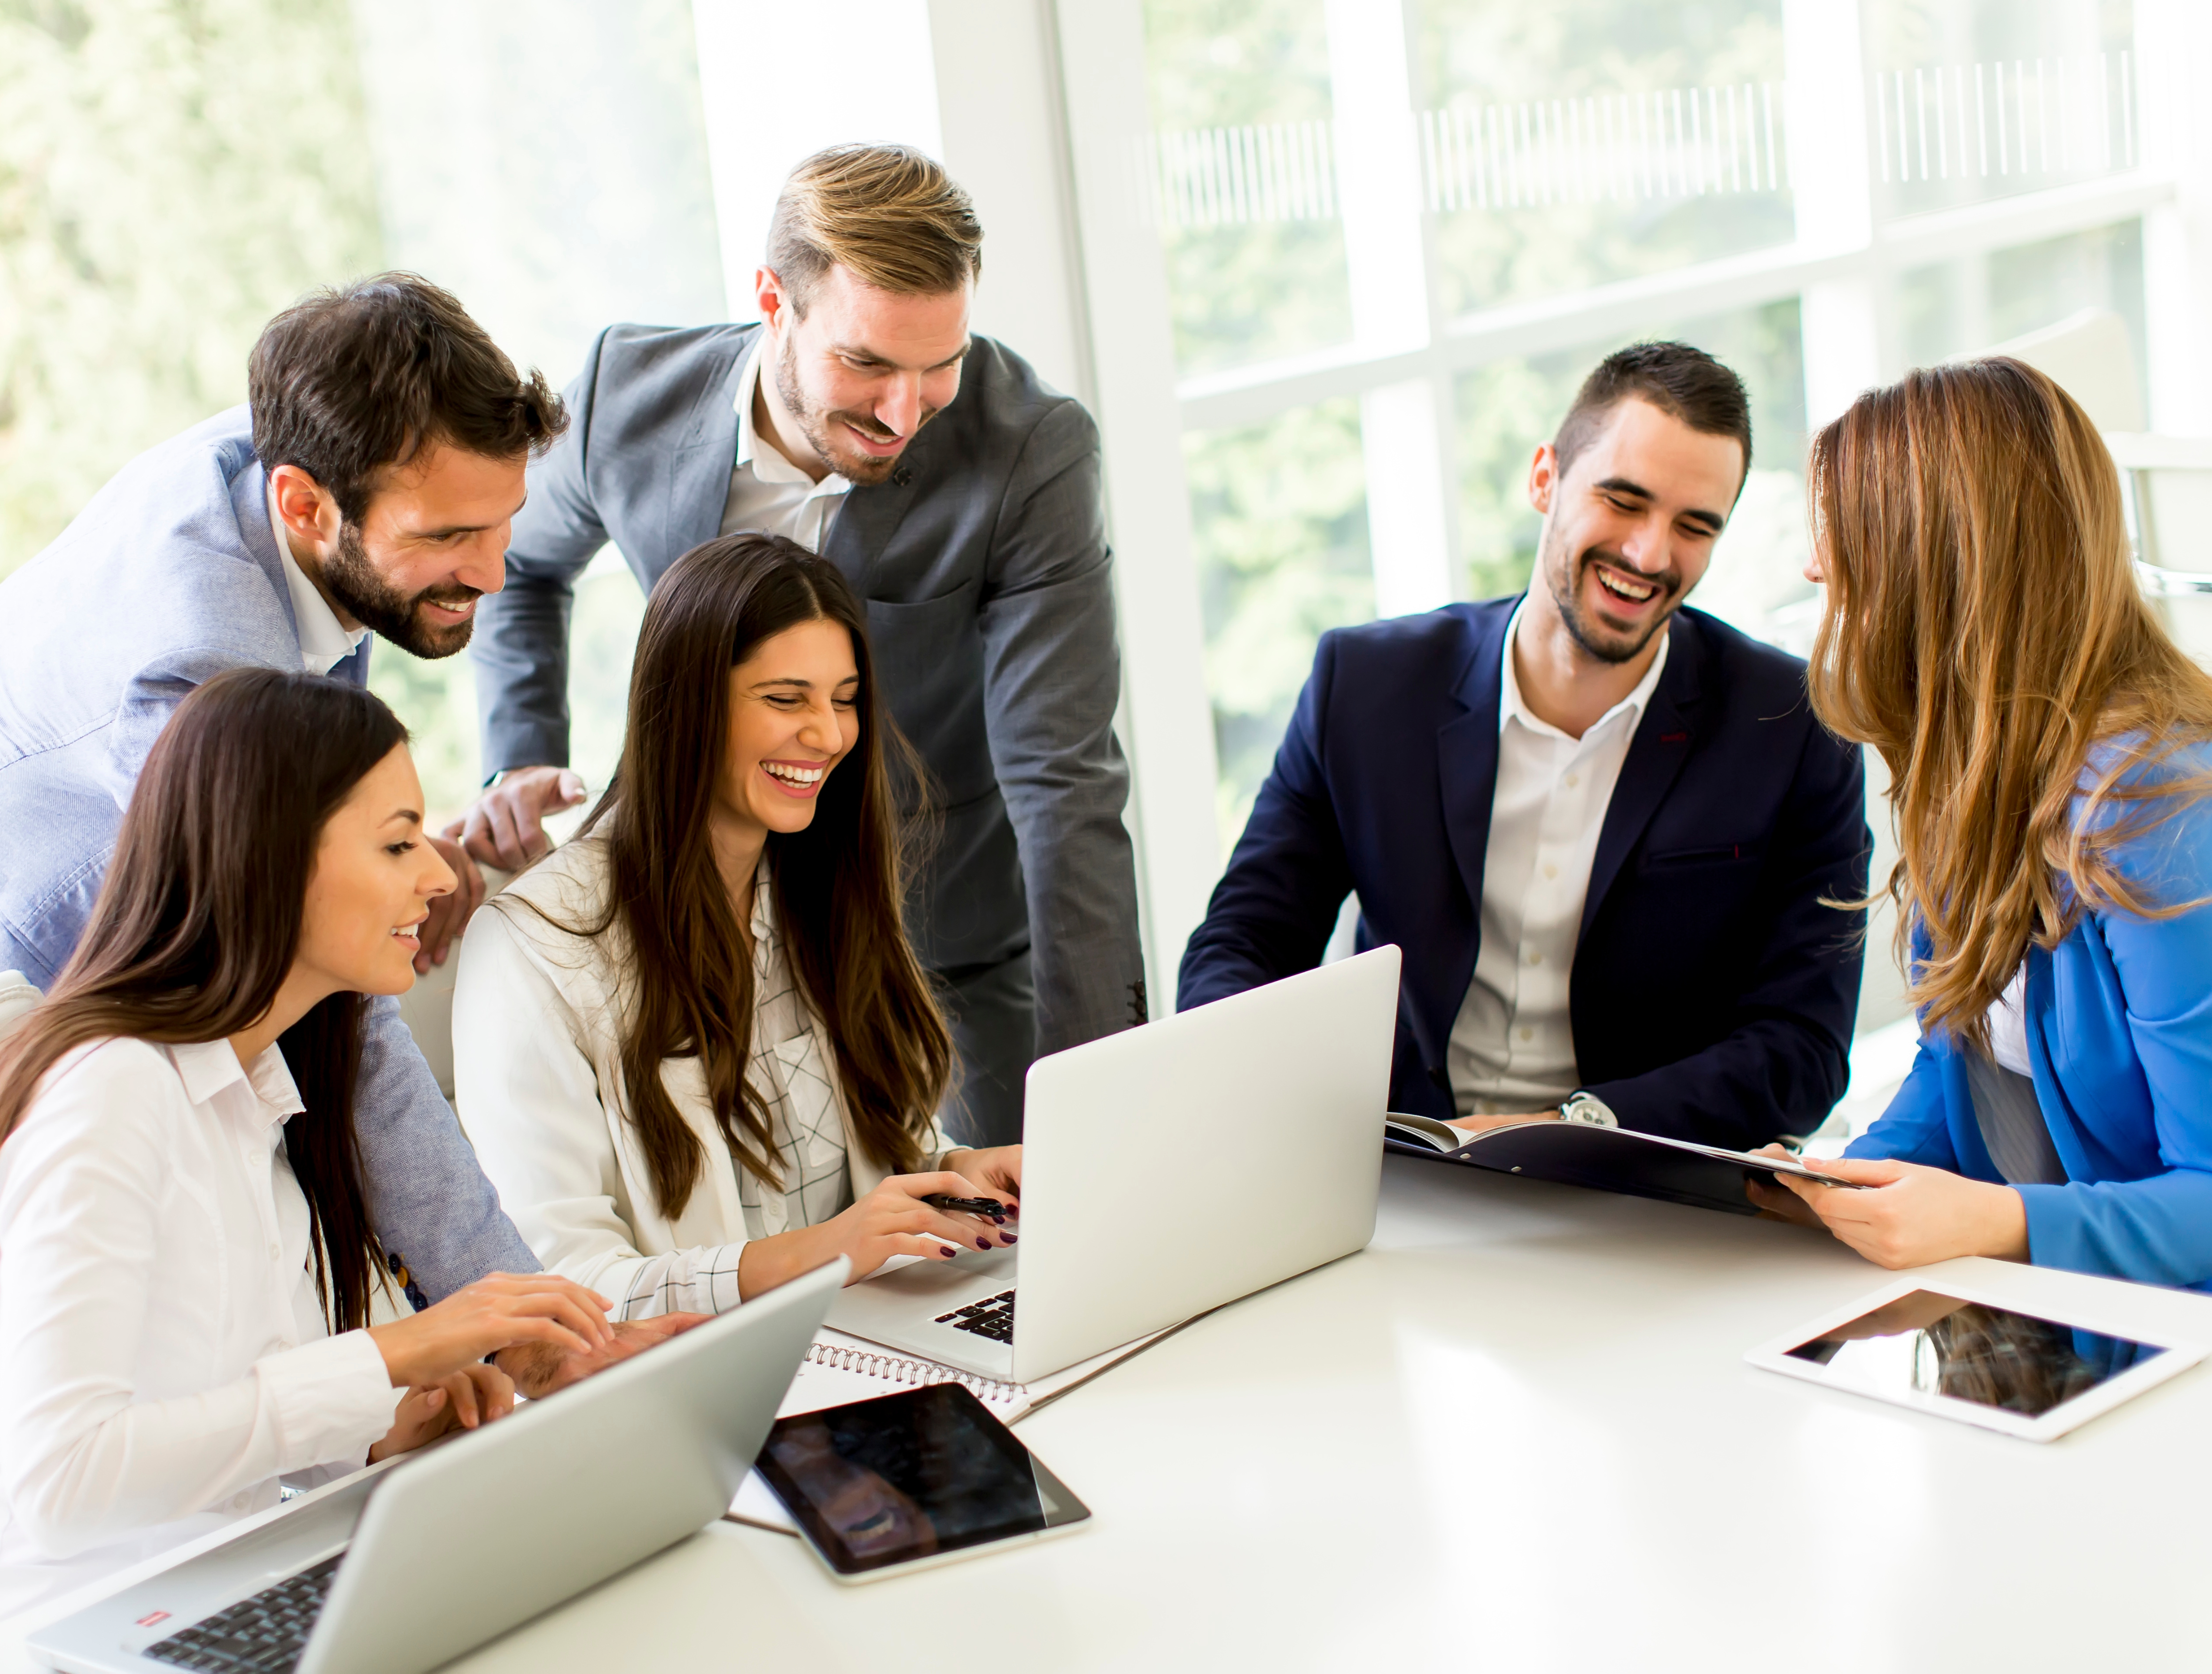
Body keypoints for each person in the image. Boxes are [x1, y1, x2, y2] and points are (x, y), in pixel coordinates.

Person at [0, 275, 576, 1361]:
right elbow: (337, 998)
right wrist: (521, 1315)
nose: (491, 569)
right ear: (304, 505)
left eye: (506, 523)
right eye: (451, 536)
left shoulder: (309, 459)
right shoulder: (190, 659)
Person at [0, 669, 654, 1654]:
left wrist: (382, 1437)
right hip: (57, 1639)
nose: (437, 875)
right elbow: (65, 1485)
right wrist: (391, 1356)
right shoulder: (107, 1094)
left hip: (226, 1603)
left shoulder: (264, 1098)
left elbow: (218, 1439)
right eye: (395, 843)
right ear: (267, 859)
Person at [458, 144, 1144, 1146]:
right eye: (865, 364)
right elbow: (513, 562)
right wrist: (521, 749)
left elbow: (1063, 778)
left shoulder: (1030, 452)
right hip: (691, 931)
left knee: (1027, 1238)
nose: (902, 412)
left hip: (937, 940)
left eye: (939, 366)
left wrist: (1100, 1085)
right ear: (772, 302)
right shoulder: (625, 394)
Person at [1179, 342, 1869, 1149]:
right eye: (1622, 500)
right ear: (1545, 477)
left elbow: (1802, 1049)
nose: (1649, 555)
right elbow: (1246, 942)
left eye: (1692, 527)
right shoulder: (1364, 686)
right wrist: (1255, 1102)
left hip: (1651, 1183)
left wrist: (1565, 1129)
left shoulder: (1793, 726)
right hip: (1400, 1162)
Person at [452, 533, 1023, 1317]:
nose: (828, 735)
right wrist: (818, 1253)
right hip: (700, 1396)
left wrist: (949, 1177)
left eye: (845, 698)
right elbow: (563, 1288)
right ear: (686, 704)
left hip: (874, 1344)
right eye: (786, 700)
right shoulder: (532, 944)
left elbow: (826, 1191)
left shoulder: (816, 886)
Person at [1751, 358, 2212, 1290]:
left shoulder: (2157, 813)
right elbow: (1963, 1049)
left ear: (1940, 561)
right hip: (2064, 1319)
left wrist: (1993, 1222)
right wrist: (1843, 1180)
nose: (1814, 564)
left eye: (1844, 530)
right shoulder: (1978, 765)